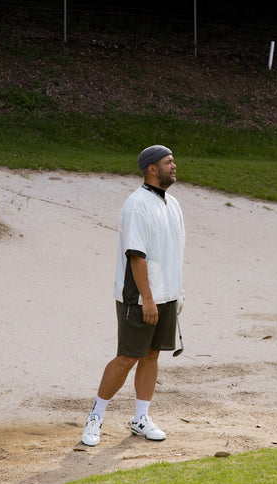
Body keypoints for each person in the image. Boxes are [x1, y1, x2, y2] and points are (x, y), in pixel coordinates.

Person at [81, 145, 186, 447]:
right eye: (169, 162)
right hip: (140, 298)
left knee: (152, 355)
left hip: (166, 297)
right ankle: (96, 416)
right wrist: (148, 299)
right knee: (128, 356)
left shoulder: (173, 205)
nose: (174, 166)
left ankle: (141, 418)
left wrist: (177, 295)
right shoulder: (136, 205)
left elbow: (173, 254)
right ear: (152, 169)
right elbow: (136, 256)